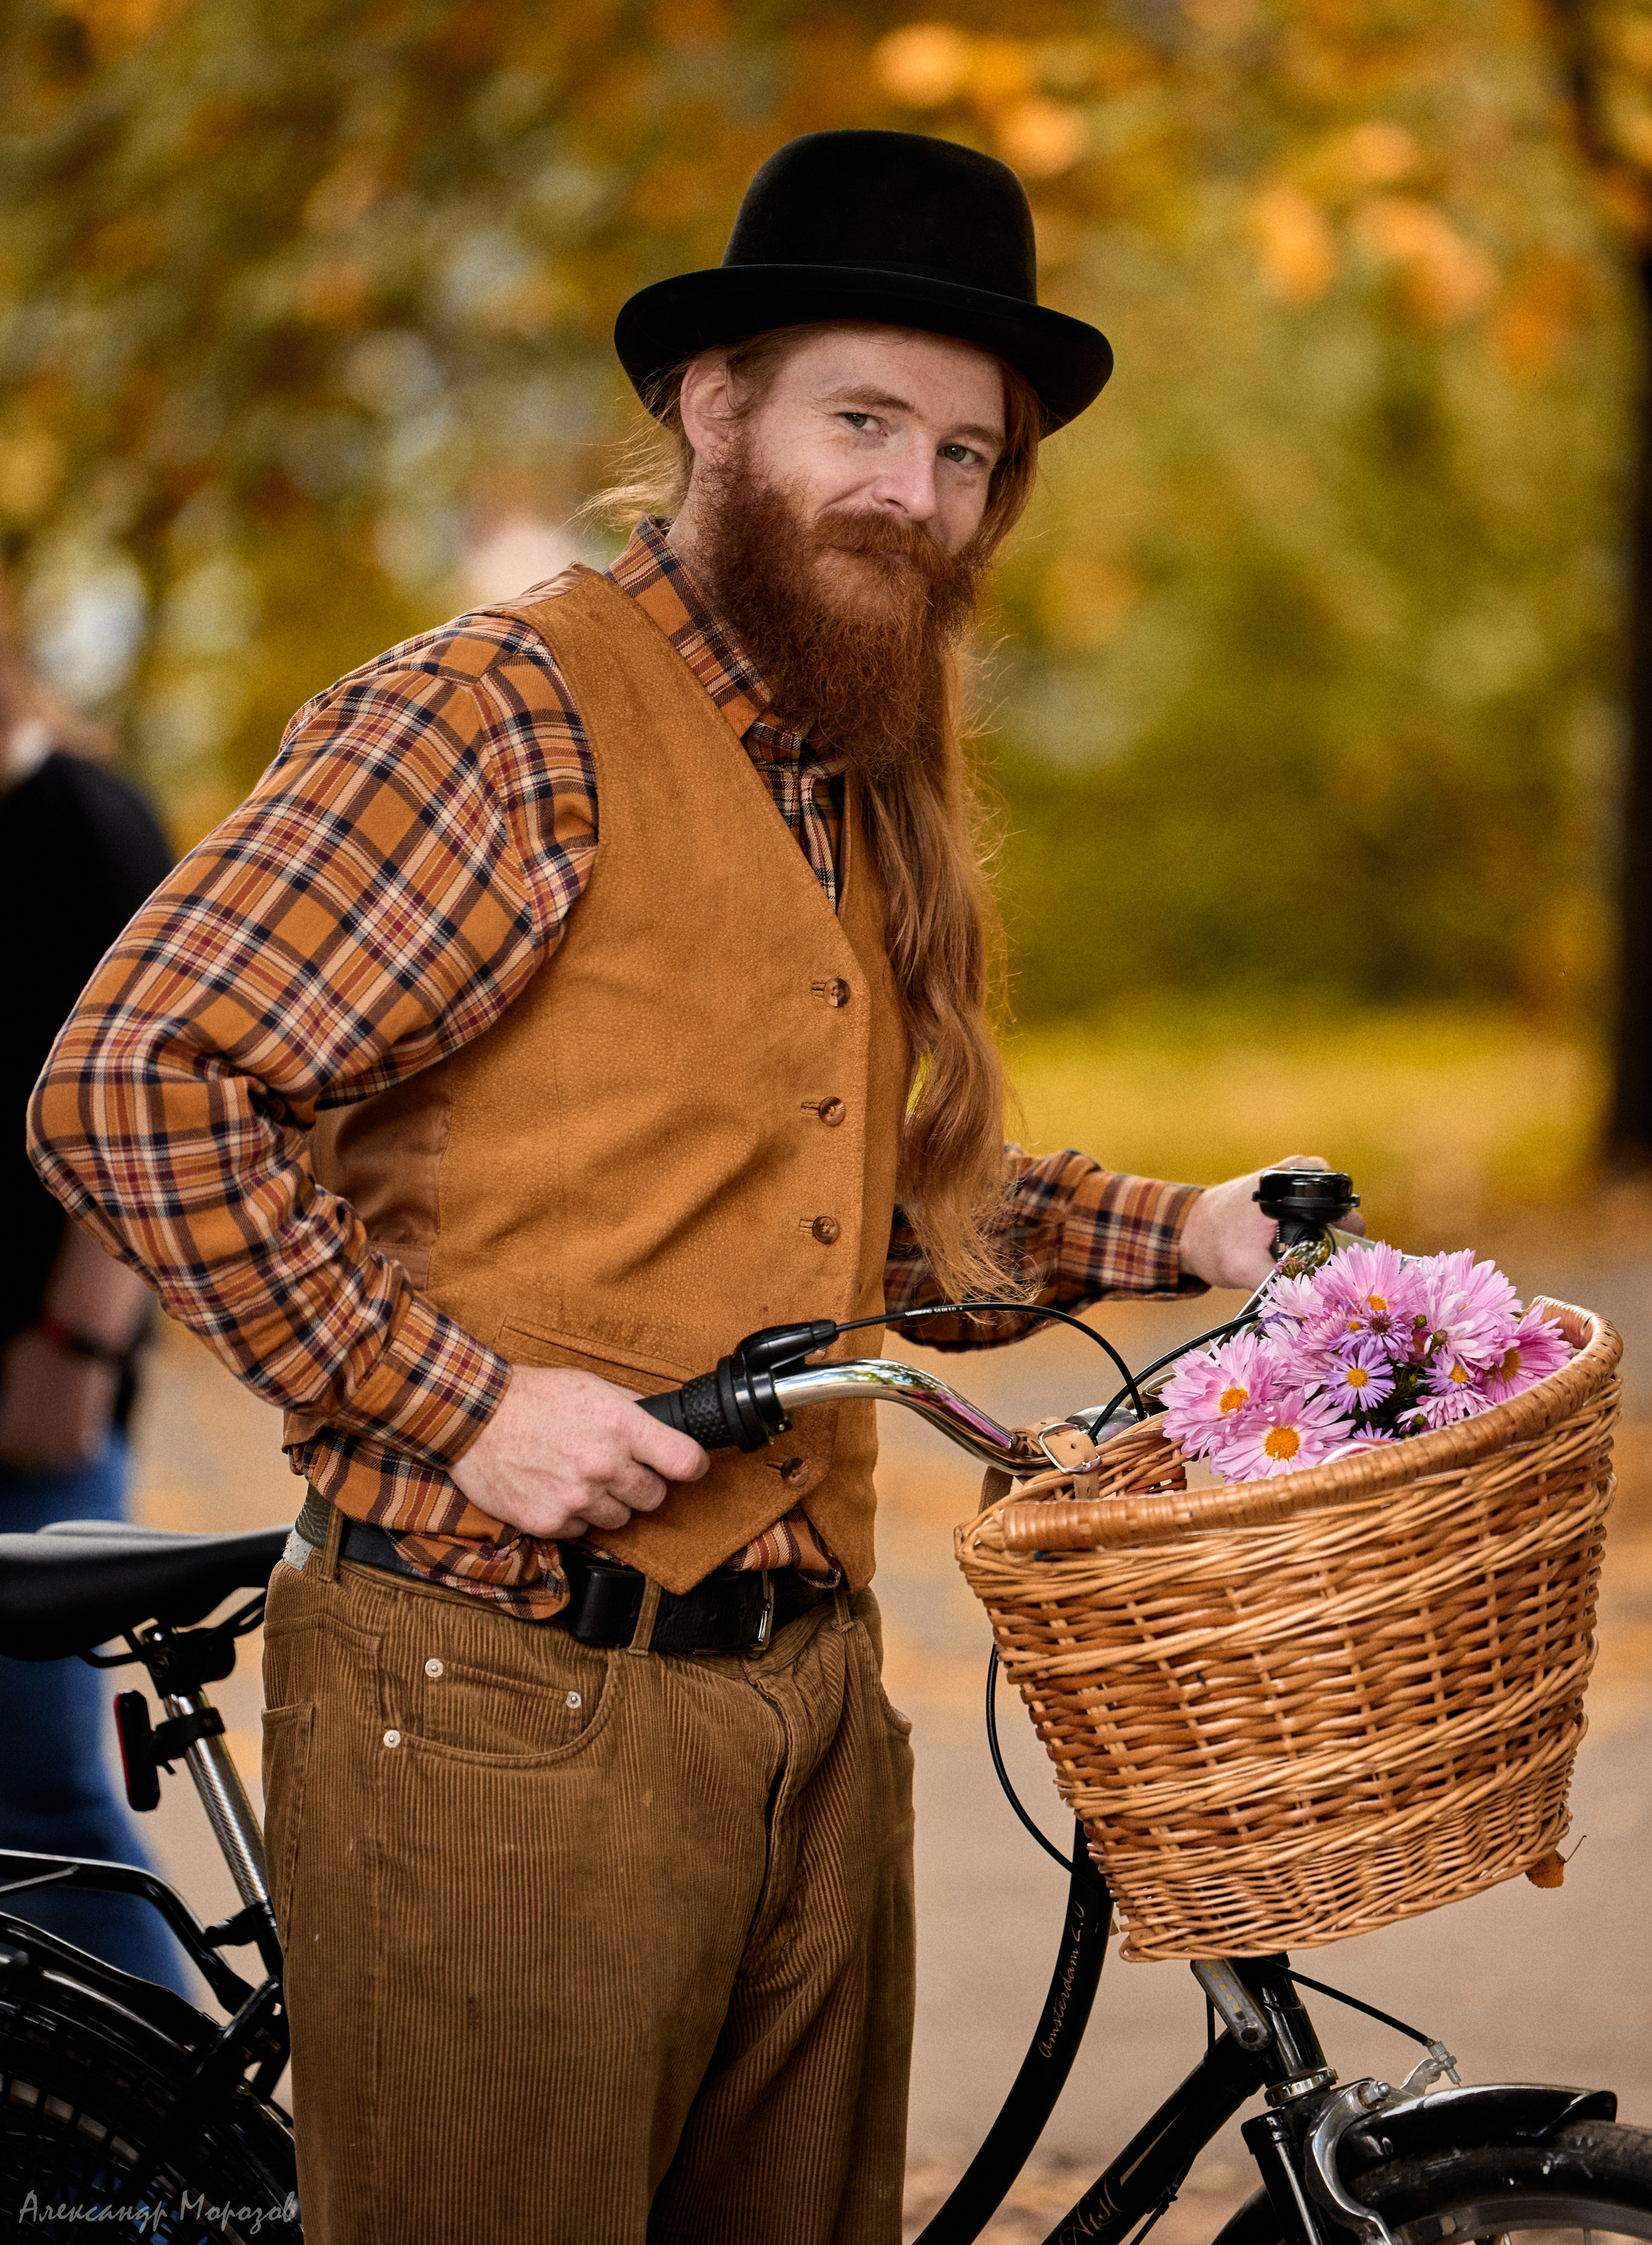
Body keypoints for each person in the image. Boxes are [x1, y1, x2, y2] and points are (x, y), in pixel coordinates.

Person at [30, 129, 1340, 2242]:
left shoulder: (842, 777)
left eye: (965, 455)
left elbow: (869, 1203)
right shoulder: (502, 714)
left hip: (814, 1702)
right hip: (498, 1697)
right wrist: (458, 1399)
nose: (911, 491)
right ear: (714, 406)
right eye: (860, 418)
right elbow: (132, 1080)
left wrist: (1184, 1229)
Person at [0, 628, 183, 1991]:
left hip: (36, 1395)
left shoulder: (85, 823)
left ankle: (179, 2192)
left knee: (52, 1811)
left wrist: (79, 1343)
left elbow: (153, 1107)